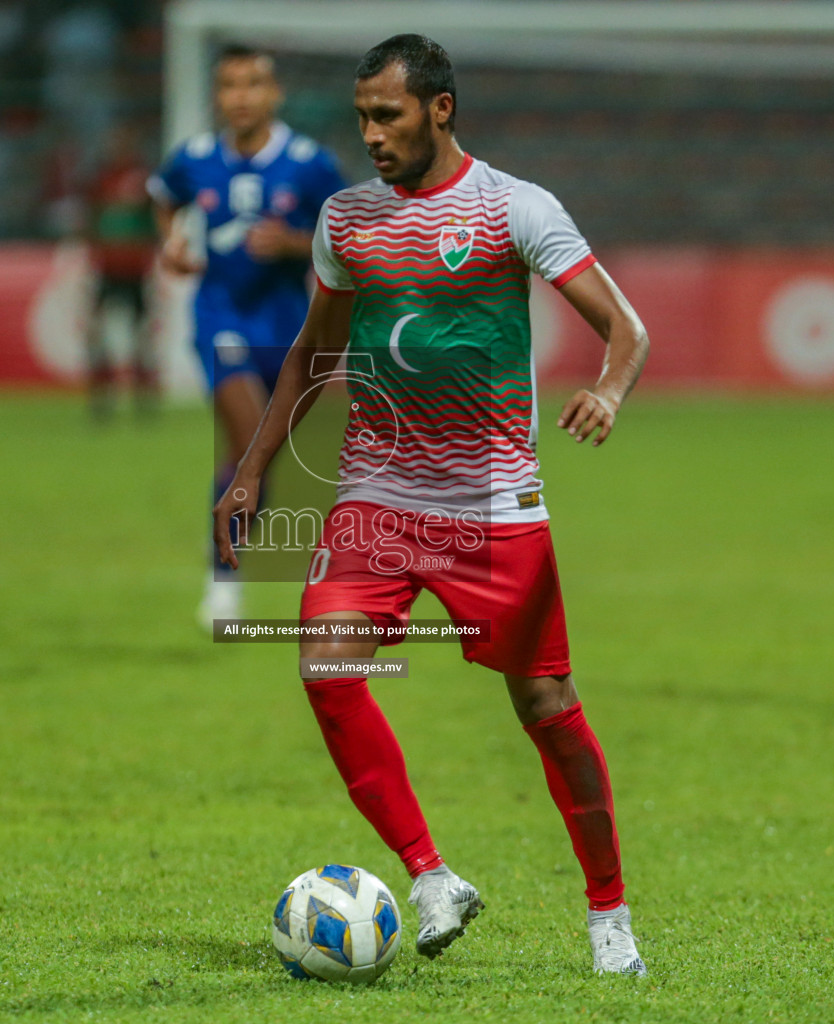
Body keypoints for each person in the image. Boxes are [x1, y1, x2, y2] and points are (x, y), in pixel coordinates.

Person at [212, 35, 652, 975]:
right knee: (325, 665)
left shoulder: (512, 208)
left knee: (546, 703)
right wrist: (253, 471)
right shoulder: (345, 220)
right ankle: (429, 876)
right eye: (362, 116)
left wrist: (608, 391)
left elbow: (625, 326)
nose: (370, 134)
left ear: (440, 109)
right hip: (375, 497)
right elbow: (310, 354)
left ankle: (608, 914)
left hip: (493, 510)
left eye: (389, 115)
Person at [148, 44, 346, 625]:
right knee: (252, 436)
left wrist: (292, 243)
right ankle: (224, 576)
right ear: (218, 95)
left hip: (287, 327)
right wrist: (172, 242)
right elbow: (162, 197)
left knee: (252, 457)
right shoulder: (196, 158)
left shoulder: (309, 163)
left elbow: (352, 232)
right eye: (230, 84)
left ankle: (224, 558)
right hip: (220, 317)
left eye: (253, 83)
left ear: (274, 93)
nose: (241, 96)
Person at [86, 124, 159, 417]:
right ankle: (102, 398)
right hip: (107, 269)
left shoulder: (143, 179)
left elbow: (154, 219)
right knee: (99, 332)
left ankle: (144, 398)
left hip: (135, 270)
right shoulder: (100, 179)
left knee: (141, 335)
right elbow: (91, 219)